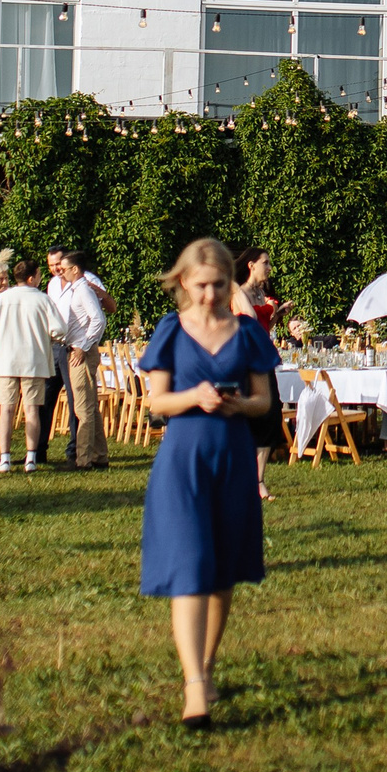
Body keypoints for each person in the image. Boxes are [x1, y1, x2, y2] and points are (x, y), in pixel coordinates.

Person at [138, 238, 279, 730]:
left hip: (233, 456)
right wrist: (192, 395)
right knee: (190, 566)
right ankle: (193, 685)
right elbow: (156, 402)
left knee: (223, 572)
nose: (210, 294)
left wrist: (238, 404)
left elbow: (264, 401)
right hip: (183, 461)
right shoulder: (170, 331)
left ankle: (208, 666)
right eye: (201, 285)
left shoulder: (247, 333)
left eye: (220, 284)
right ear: (183, 282)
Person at [0, 259, 62, 471]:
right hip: (33, 361)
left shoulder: (1, 299)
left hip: (6, 361)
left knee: (6, 410)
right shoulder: (43, 300)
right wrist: (48, 337)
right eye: (38, 275)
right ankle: (30, 458)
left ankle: (5, 458)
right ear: (31, 277)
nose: (40, 278)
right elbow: (59, 329)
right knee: (32, 409)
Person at [47, 250, 112, 471]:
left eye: (64, 269)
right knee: (90, 406)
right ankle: (100, 456)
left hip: (79, 351)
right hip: (76, 348)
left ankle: (83, 460)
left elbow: (98, 320)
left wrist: (82, 347)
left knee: (82, 408)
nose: (60, 272)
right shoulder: (77, 289)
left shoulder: (83, 289)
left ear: (75, 269)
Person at [234, 248, 289, 501]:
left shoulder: (261, 294)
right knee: (247, 419)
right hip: (245, 362)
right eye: (265, 263)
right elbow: (251, 318)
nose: (269, 268)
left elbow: (265, 325)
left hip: (264, 359)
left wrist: (277, 314)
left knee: (272, 414)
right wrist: (238, 289)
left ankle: (259, 479)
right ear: (251, 265)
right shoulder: (239, 293)